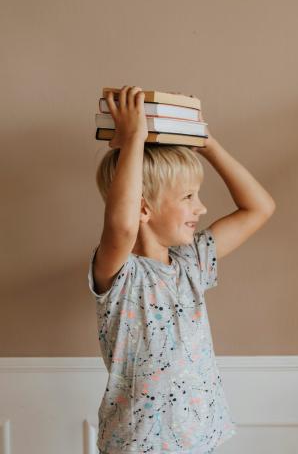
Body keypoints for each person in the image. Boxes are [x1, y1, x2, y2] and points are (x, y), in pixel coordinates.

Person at [90, 86, 275, 453]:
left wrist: (207, 144)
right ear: (143, 208)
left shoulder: (192, 262)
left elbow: (260, 207)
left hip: (200, 436)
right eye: (188, 197)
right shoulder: (121, 272)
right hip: (139, 443)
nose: (201, 208)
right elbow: (123, 227)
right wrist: (133, 141)